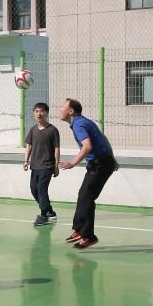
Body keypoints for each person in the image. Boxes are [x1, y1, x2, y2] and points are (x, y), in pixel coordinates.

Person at [58, 98, 118, 250]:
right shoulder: (82, 122)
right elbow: (103, 138)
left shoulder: (78, 124)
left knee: (87, 197)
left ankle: (89, 236)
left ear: (71, 111)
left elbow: (87, 146)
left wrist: (72, 163)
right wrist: (111, 157)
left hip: (100, 164)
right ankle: (79, 230)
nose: (60, 109)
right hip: (102, 162)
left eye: (62, 107)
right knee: (83, 195)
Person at [23, 102, 60, 226]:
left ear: (47, 113)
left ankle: (43, 216)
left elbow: (56, 149)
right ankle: (49, 211)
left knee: (41, 189)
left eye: (42, 111)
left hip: (47, 166)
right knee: (34, 189)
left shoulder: (52, 130)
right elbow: (29, 146)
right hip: (35, 166)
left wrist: (56, 166)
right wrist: (26, 161)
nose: (39, 114)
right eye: (37, 111)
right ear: (34, 113)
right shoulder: (33, 129)